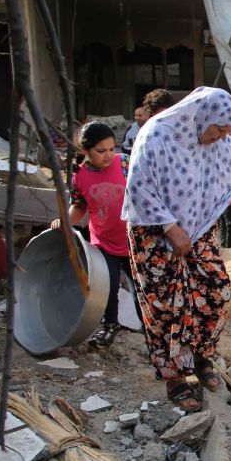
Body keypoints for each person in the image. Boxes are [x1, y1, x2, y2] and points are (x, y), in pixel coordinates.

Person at [122, 86, 231, 412]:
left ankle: (202, 359)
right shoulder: (156, 136)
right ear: (202, 118)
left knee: (216, 291)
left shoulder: (214, 138)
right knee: (166, 308)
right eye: (220, 129)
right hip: (154, 236)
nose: (222, 137)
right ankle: (176, 378)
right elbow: (138, 188)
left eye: (228, 131)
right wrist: (170, 228)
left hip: (198, 231)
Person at [50, 121, 141, 348]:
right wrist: (65, 221)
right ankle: (110, 326)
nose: (109, 155)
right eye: (101, 151)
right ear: (85, 151)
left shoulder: (125, 163)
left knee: (142, 290)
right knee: (108, 288)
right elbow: (79, 205)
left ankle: (151, 331)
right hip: (104, 243)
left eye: (112, 149)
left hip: (134, 242)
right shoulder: (79, 175)